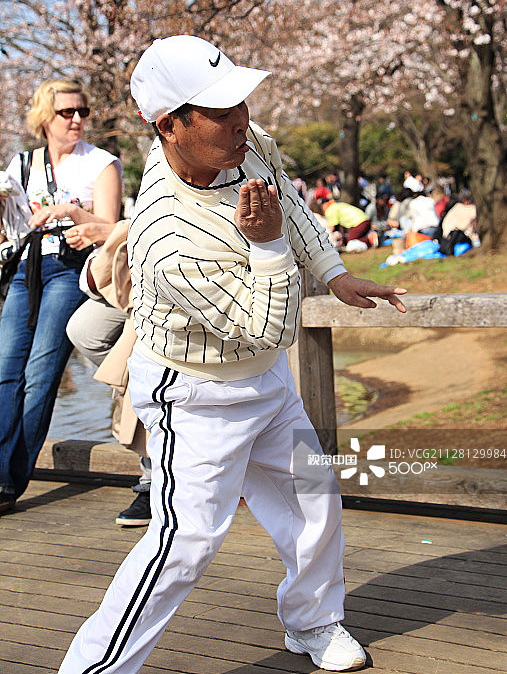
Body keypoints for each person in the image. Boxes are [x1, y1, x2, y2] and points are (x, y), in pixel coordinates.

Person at [58, 35, 406, 674]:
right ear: (170, 125)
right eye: (221, 111)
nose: (242, 119)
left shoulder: (246, 145)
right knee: (184, 544)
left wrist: (331, 272)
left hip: (265, 381)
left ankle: (313, 621)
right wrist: (268, 247)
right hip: (194, 394)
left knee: (315, 495)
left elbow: (290, 207)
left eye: (241, 102)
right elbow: (267, 328)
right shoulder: (166, 238)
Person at [0, 79, 122, 514]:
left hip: (69, 270)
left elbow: (111, 227)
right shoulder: (21, 164)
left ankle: (9, 482)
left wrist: (72, 211)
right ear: (44, 117)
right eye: (66, 112)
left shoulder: (101, 163)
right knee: (5, 371)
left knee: (41, 373)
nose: (76, 120)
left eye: (82, 111)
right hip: (25, 269)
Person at [65, 219, 152, 526]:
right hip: (144, 263)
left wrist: (106, 229)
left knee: (142, 354)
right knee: (86, 331)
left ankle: (154, 481)